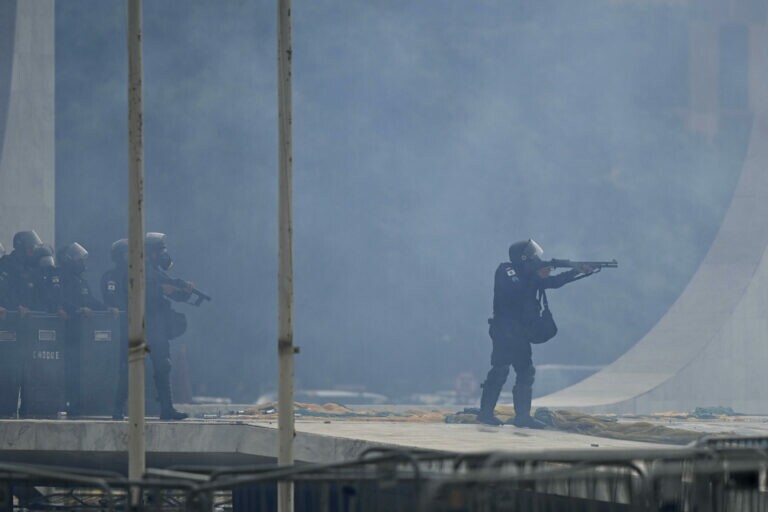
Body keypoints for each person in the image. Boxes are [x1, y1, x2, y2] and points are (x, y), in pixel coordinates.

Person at [477, 239, 595, 427]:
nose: (537, 259)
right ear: (523, 258)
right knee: (500, 369)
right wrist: (536, 275)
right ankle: (486, 414)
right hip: (505, 330)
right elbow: (516, 289)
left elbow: (554, 282)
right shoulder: (506, 270)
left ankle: (522, 417)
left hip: (519, 332)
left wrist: (577, 270)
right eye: (532, 256)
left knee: (525, 372)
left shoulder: (530, 276)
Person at [145, 232, 192, 421]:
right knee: (132, 368)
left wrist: (184, 290)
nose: (164, 255)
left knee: (163, 366)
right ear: (151, 252)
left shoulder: (155, 272)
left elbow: (174, 291)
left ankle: (167, 408)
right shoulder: (141, 271)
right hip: (145, 325)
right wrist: (161, 290)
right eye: (160, 251)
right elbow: (142, 292)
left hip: (157, 327)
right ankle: (119, 408)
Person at [101, 239, 129, 420]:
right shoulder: (110, 276)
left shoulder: (138, 275)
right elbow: (111, 298)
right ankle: (117, 408)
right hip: (119, 329)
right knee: (123, 368)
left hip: (137, 327)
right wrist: (114, 308)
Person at [4, 230, 44, 313]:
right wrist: (16, 306)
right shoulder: (7, 264)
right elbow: (4, 289)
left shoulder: (31, 265)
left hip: (29, 314)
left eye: (34, 247)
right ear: (21, 248)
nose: (33, 251)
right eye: (30, 248)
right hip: (11, 314)